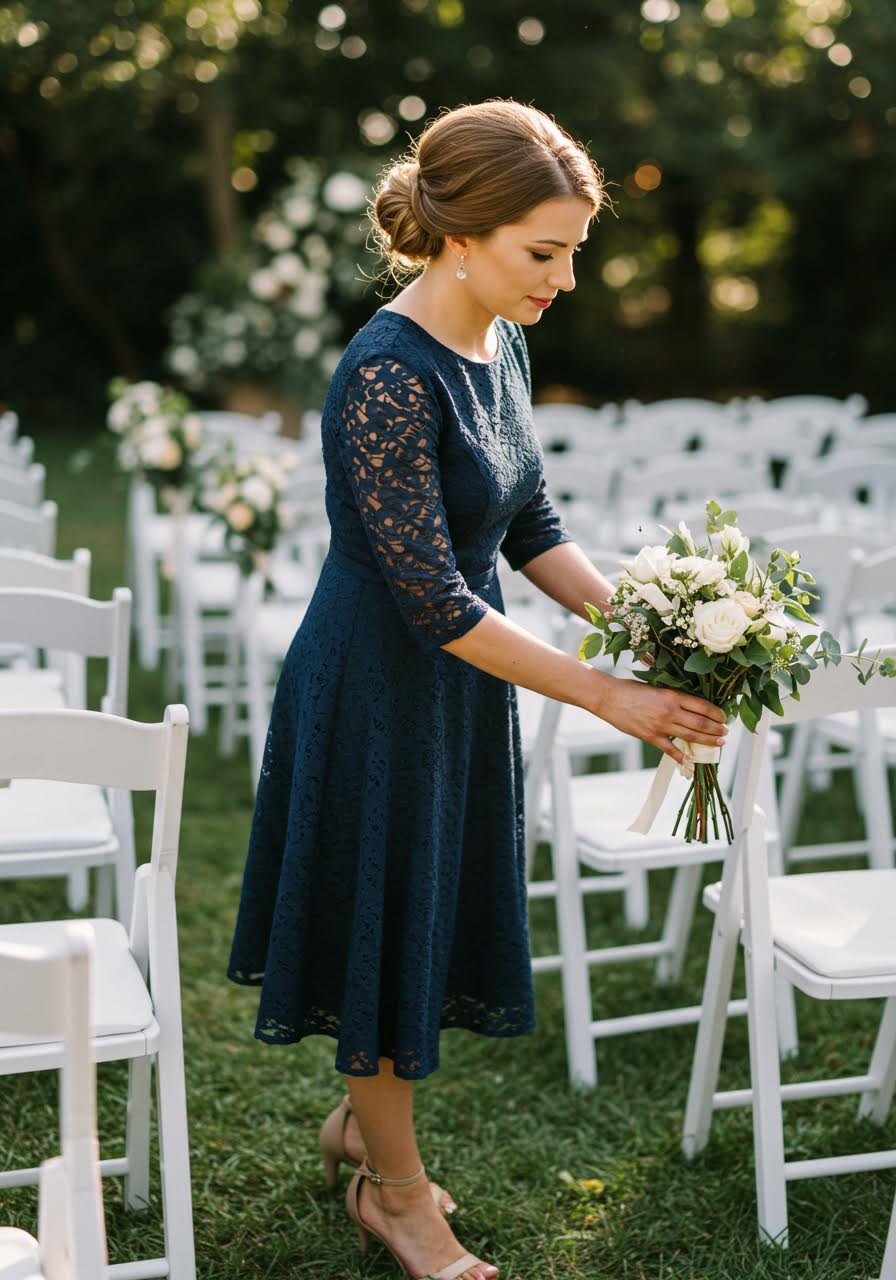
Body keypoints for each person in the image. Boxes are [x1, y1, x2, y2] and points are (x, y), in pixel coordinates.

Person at [228, 99, 728, 1280]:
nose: (560, 280)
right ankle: (395, 1193)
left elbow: (527, 525)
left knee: (430, 912)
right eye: (540, 253)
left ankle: (365, 1123)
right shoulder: (383, 377)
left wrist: (650, 627)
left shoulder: (500, 337)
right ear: (460, 235)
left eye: (570, 255)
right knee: (386, 923)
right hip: (373, 687)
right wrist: (607, 698)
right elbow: (433, 600)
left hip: (466, 686)